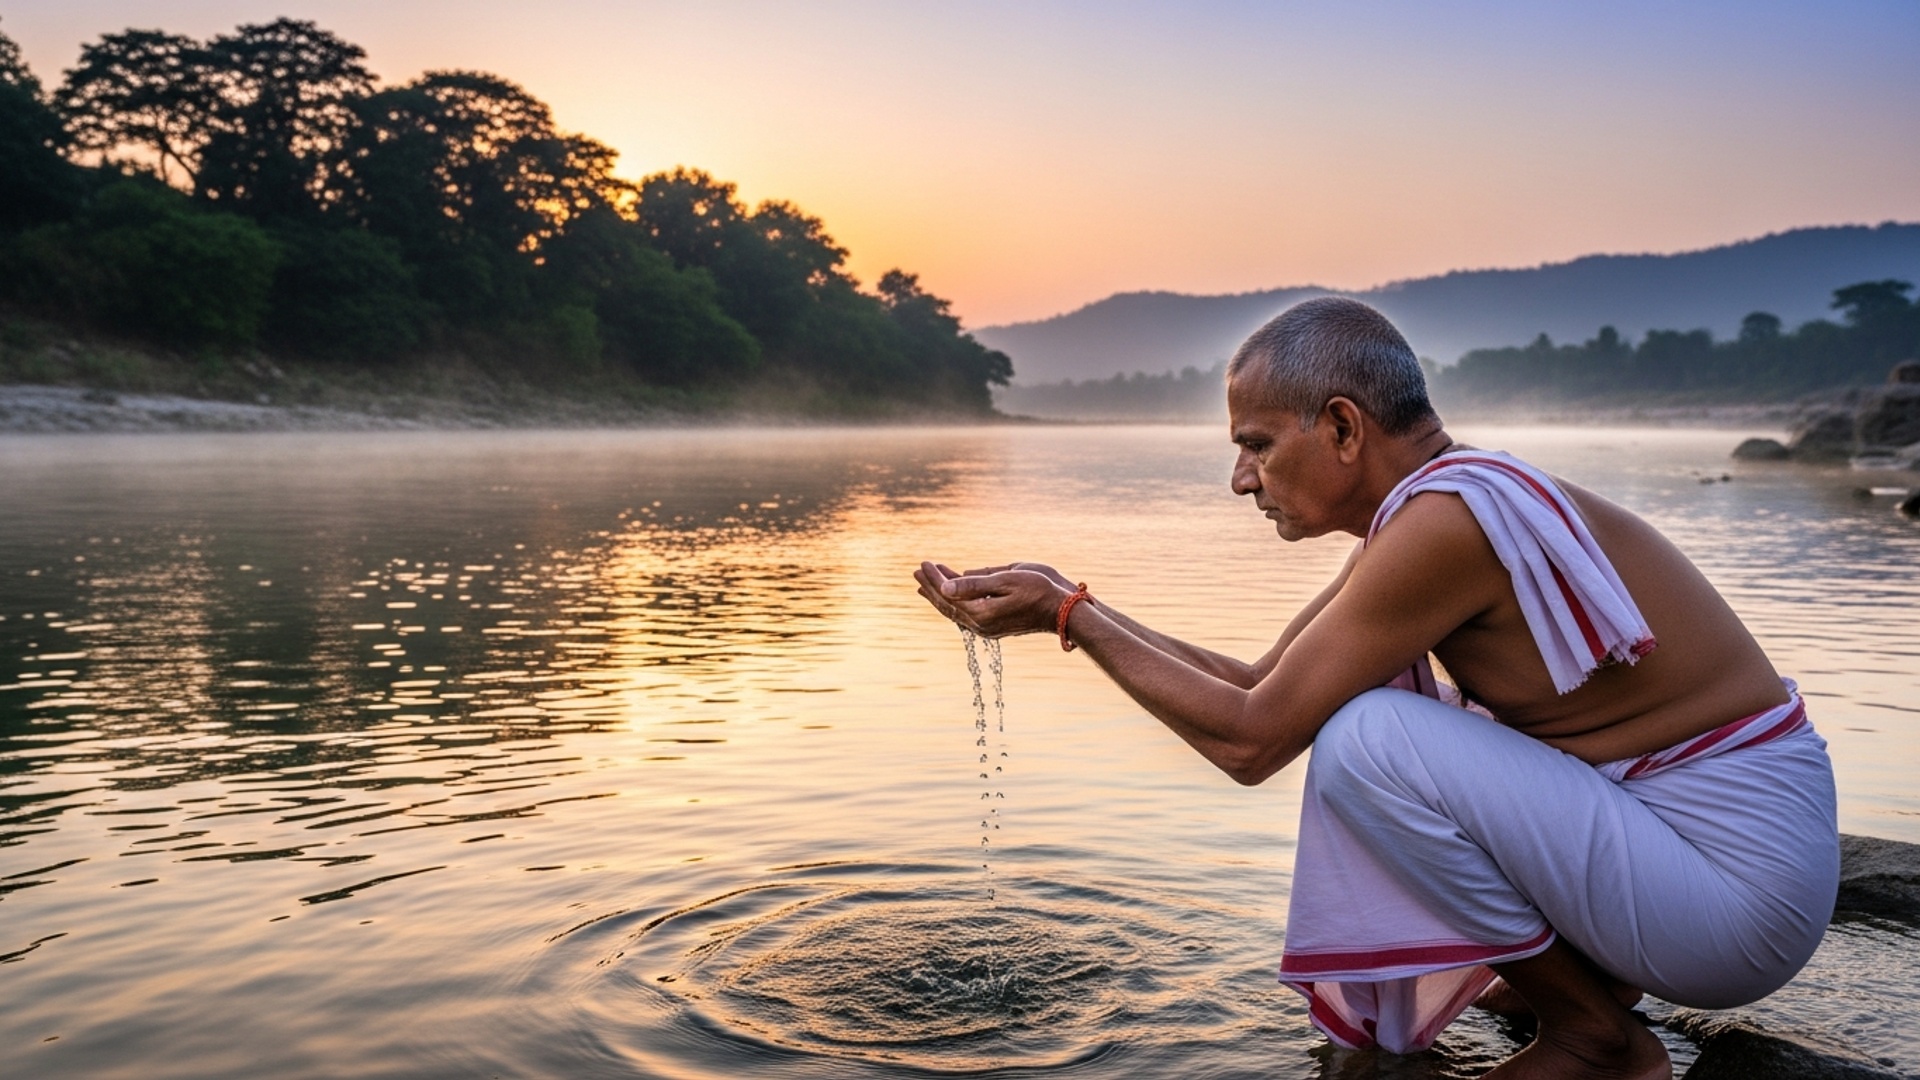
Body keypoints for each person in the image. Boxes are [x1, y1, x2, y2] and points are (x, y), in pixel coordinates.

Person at [912, 297, 1837, 1080]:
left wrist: (1067, 613)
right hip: (1701, 870)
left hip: (1733, 897)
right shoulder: (1435, 511)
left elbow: (1252, 739)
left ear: (1345, 428)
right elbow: (1260, 686)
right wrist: (1067, 601)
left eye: (1257, 445)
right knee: (1372, 725)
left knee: (1371, 739)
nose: (1242, 480)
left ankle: (1596, 1037)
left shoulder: (1447, 526)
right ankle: (1590, 983)